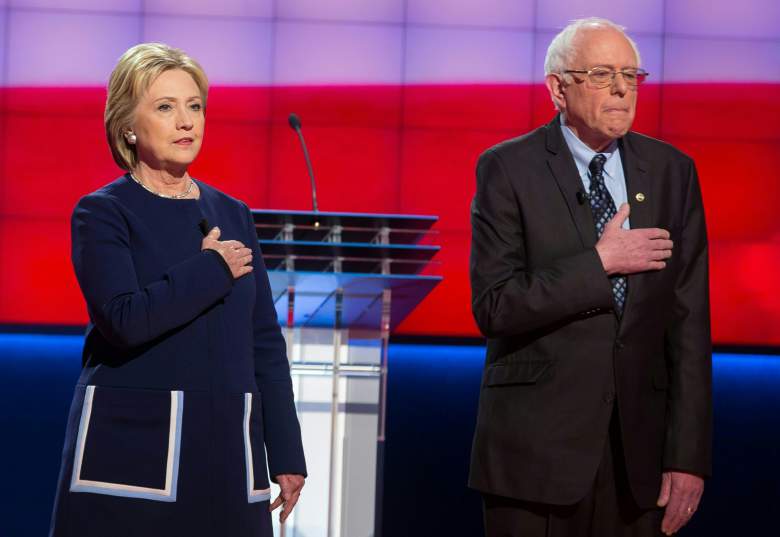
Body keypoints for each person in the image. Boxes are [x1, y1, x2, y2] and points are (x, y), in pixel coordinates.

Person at [49, 43, 306, 537]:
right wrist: (211, 267)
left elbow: (264, 341)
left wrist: (286, 451)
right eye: (165, 107)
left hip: (229, 455)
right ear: (127, 124)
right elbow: (124, 320)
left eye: (195, 106)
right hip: (134, 458)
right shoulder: (103, 212)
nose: (186, 121)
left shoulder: (234, 213)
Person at [468, 18, 712, 537]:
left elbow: (688, 325)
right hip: (535, 455)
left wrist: (688, 456)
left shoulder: (672, 171)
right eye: (602, 74)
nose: (623, 88)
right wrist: (599, 264)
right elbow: (495, 305)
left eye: (632, 75)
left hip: (638, 461)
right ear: (559, 88)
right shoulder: (508, 169)